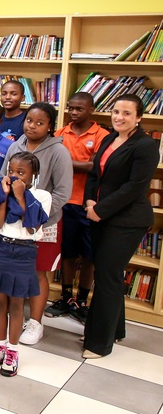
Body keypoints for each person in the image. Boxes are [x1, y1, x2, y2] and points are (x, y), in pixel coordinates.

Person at [83, 94, 159, 359]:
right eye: (116, 112)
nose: (119, 117)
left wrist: (99, 210)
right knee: (108, 274)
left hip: (127, 220)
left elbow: (134, 188)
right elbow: (95, 174)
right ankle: (114, 330)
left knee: (107, 276)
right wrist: (90, 201)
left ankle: (98, 344)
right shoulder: (108, 138)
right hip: (100, 214)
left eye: (127, 113)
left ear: (138, 117)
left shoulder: (146, 146)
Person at [1, 102, 72, 346]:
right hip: (14, 221)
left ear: (50, 126)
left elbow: (63, 193)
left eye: (40, 123)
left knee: (38, 271)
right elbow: (3, 180)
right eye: (29, 120)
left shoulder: (58, 151)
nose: (32, 126)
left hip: (45, 222)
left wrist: (38, 217)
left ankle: (36, 322)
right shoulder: (15, 146)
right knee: (15, 268)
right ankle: (15, 317)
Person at [0, 152, 51, 377]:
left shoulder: (42, 196)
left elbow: (32, 228)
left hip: (24, 251)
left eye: (22, 173)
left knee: (17, 304)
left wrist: (21, 198)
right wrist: (5, 196)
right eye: (12, 171)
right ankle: (0, 344)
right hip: (1, 247)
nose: (15, 176)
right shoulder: (2, 191)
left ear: (34, 175)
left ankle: (13, 350)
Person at [46, 92, 108, 322]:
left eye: (79, 109)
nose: (73, 112)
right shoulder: (61, 133)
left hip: (89, 203)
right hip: (64, 203)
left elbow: (96, 167)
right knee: (68, 253)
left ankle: (81, 299)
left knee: (89, 255)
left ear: (91, 109)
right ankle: (64, 297)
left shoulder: (102, 135)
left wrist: (64, 163)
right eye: (70, 108)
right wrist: (77, 164)